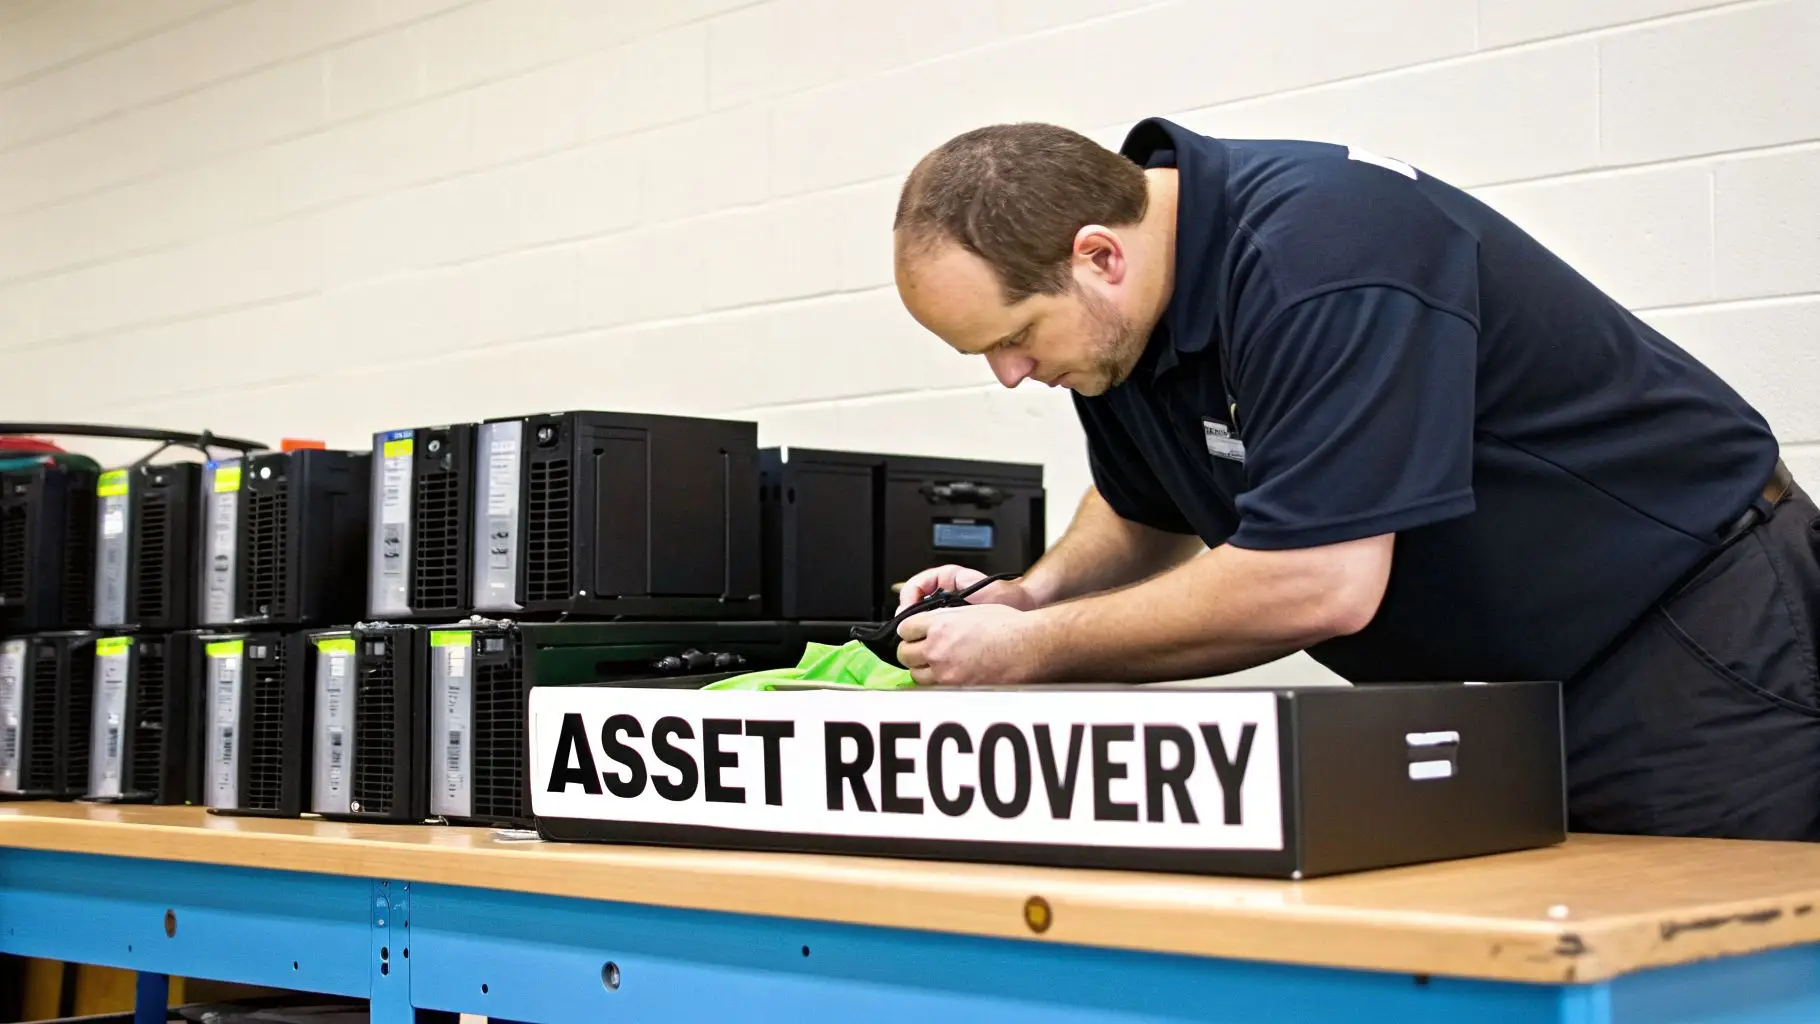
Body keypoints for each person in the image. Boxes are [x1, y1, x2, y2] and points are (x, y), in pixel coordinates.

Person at [886, 116, 1820, 843]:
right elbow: (1143, 509)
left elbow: (1315, 580)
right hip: (1497, 697)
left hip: (1689, 638)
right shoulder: (1116, 327)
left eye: (1014, 338)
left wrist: (1030, 651)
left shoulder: (1321, 256)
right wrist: (1022, 595)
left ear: (1099, 254)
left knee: (1704, 976)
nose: (1009, 374)